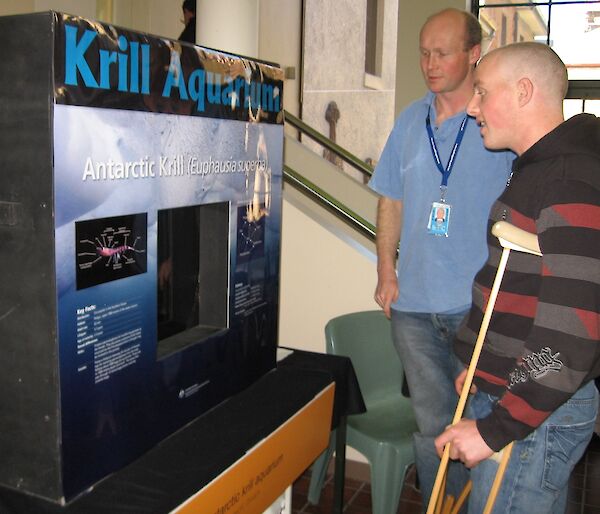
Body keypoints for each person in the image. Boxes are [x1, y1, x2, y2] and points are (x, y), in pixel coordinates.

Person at [435, 42, 600, 513]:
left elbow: (572, 334)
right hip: (517, 398)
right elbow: (524, 292)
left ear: (524, 91)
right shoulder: (540, 171)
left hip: (534, 415)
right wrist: (485, 367)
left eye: (482, 92)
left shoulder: (570, 179)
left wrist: (496, 428)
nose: (471, 107)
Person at [368, 7, 513, 506]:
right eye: (424, 53)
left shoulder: (497, 123)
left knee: (484, 430)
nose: (429, 63)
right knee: (432, 428)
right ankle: (438, 506)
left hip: (480, 311)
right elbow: (390, 198)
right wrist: (386, 268)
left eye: (442, 52)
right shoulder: (410, 121)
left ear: (474, 54)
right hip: (413, 309)